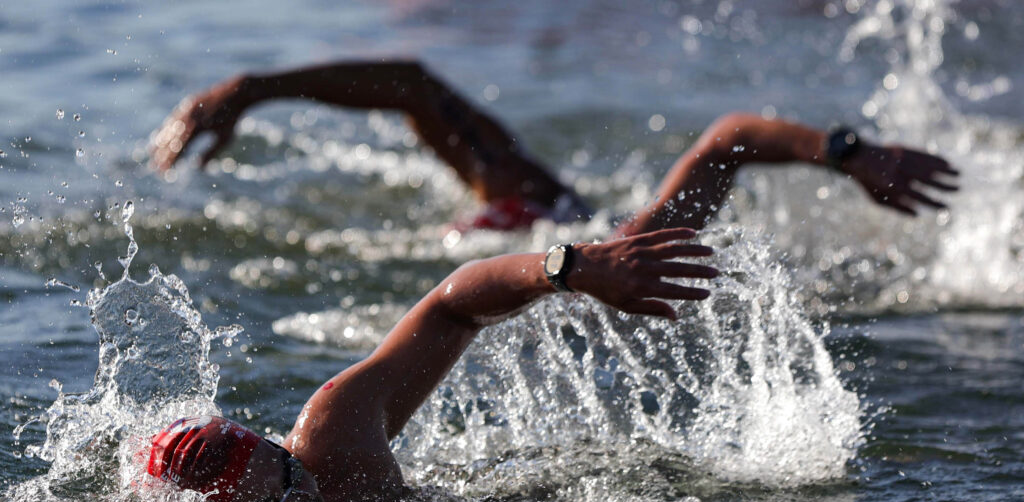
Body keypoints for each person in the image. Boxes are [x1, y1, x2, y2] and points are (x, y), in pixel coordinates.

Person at [141, 228, 718, 502]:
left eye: (290, 469)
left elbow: (450, 308)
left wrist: (566, 268)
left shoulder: (333, 434)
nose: (306, 494)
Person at [150, 60, 959, 235]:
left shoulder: (637, 249)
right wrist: (248, 89)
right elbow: (413, 86)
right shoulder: (535, 207)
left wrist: (846, 154)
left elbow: (728, 142)